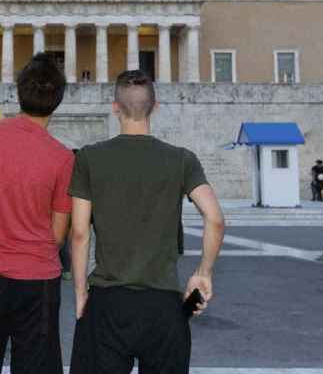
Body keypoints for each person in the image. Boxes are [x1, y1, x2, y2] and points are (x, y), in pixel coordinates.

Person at [69, 70, 225, 374]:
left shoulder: (89, 157)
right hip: (166, 306)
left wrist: (79, 292)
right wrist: (203, 274)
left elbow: (78, 233)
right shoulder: (182, 159)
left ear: (115, 107)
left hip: (107, 302)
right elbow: (215, 219)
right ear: (155, 107)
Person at [0, 52, 74, 374]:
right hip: (37, 279)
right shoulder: (63, 158)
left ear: (19, 91)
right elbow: (57, 236)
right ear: (58, 100)